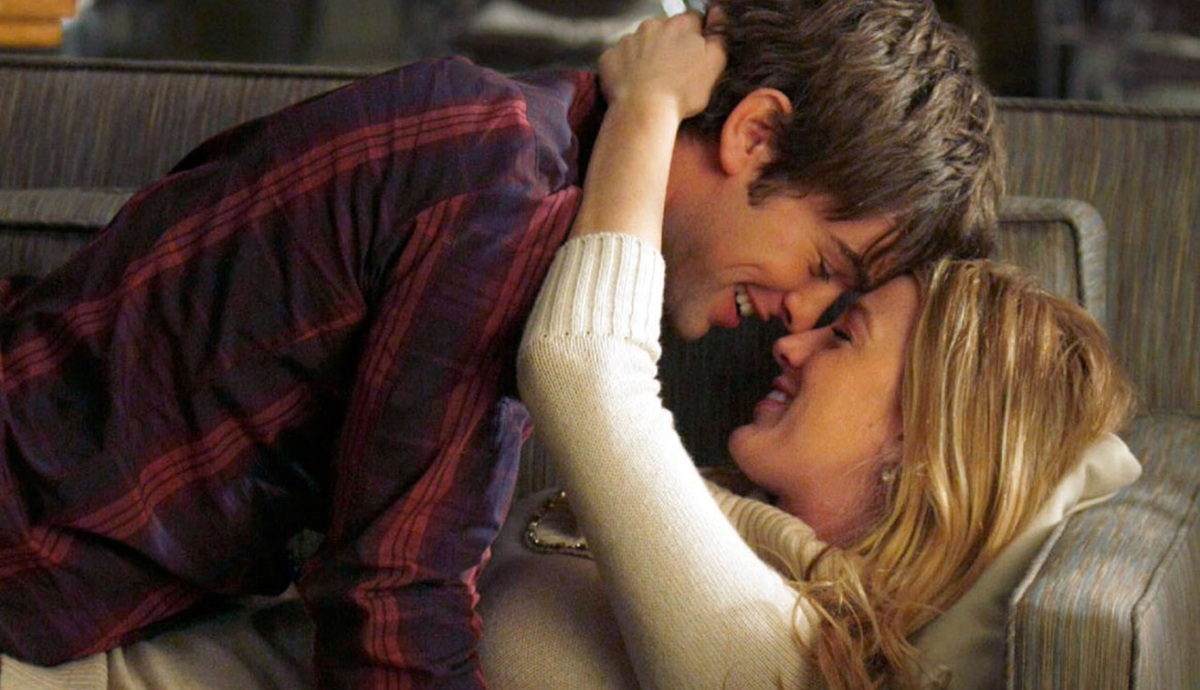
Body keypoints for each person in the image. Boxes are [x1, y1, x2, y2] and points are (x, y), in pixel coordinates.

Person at [0, 2, 1001, 689]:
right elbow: (393, 605)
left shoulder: (515, 133)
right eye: (823, 263)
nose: (799, 316)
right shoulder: (515, 201)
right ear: (753, 136)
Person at [474, 15, 1134, 690]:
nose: (790, 341)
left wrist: (647, 108)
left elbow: (584, 367)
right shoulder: (725, 527)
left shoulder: (788, 652)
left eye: (845, 335)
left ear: (926, 434)